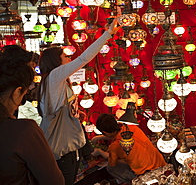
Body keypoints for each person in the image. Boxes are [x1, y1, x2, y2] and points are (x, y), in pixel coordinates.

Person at [37, 18, 122, 185]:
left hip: (68, 147)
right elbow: (83, 59)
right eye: (65, 56)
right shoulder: (54, 77)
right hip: (61, 150)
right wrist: (108, 34)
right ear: (56, 62)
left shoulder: (57, 83)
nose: (69, 59)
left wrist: (73, 112)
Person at [0, 46, 64, 184]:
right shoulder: (23, 132)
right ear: (17, 92)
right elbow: (54, 181)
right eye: (23, 94)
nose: (21, 103)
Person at [92, 113, 167, 184]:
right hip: (161, 164)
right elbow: (118, 134)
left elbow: (112, 163)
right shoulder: (131, 127)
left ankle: (132, 181)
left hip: (146, 174)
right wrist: (101, 137)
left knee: (110, 168)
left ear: (105, 132)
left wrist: (99, 152)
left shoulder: (115, 146)